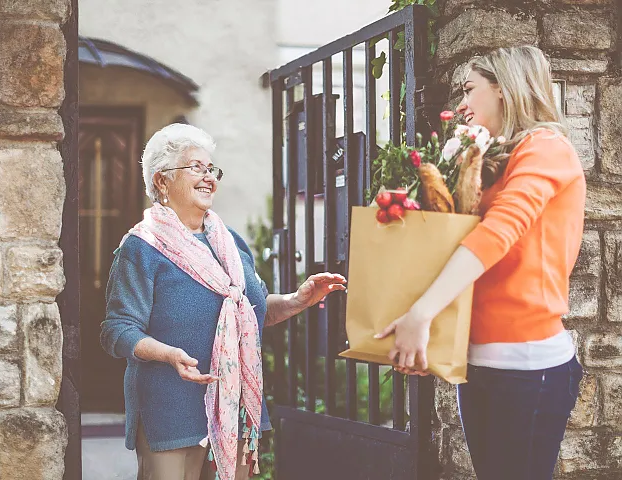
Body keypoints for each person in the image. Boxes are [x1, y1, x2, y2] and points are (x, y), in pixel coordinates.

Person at [376, 46, 585, 480]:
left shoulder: (546, 147)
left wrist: (423, 311)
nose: (462, 104)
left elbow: (499, 233)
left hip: (528, 367)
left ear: (505, 90)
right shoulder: (494, 157)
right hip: (478, 360)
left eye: (470, 90)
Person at [101, 123, 346, 480]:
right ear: (161, 181)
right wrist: (169, 354)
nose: (208, 178)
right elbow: (117, 331)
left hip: (236, 412)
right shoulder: (141, 248)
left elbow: (254, 310)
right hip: (171, 414)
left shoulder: (229, 243)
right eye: (195, 167)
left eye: (211, 169)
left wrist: (297, 300)